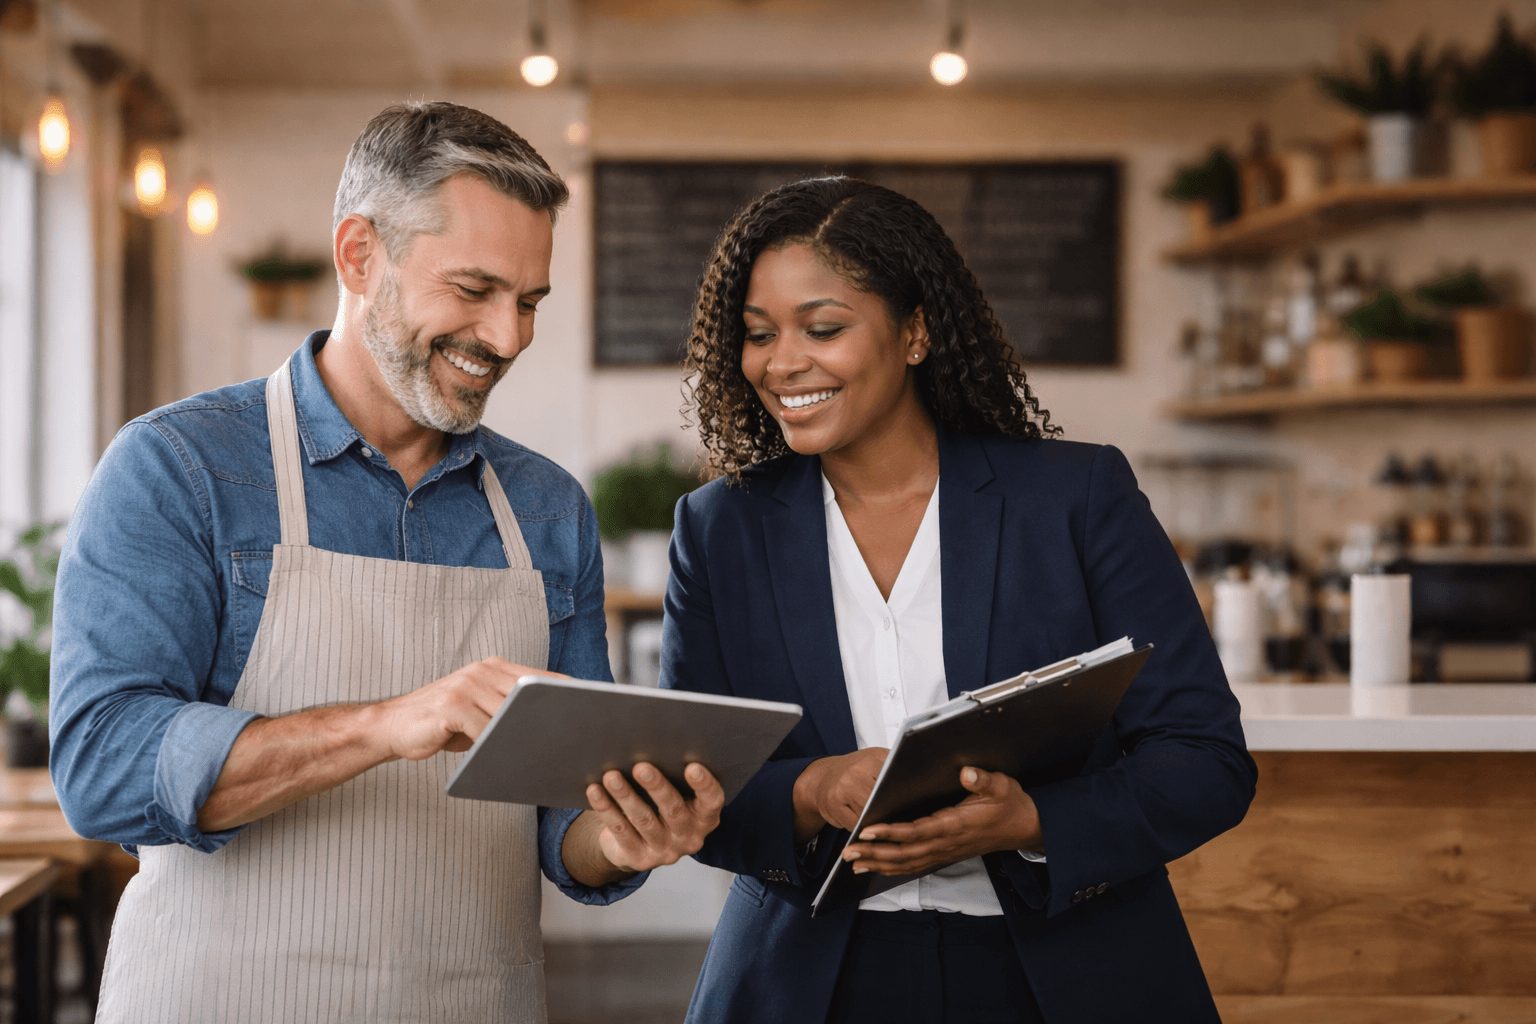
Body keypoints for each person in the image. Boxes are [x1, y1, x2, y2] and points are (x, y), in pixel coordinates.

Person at [50, 101, 723, 1023]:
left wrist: (627, 836)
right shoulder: (181, 468)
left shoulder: (546, 510)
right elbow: (102, 766)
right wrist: (385, 726)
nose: (508, 337)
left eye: (528, 302)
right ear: (360, 255)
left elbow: (565, 824)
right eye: (475, 290)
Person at [661, 176, 1256, 1024]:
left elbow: (1205, 762)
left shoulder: (1076, 499)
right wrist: (812, 789)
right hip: (807, 985)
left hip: (1060, 977)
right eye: (757, 335)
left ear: (914, 332)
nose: (781, 362)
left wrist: (1030, 820)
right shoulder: (720, 528)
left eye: (823, 328)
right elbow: (696, 793)